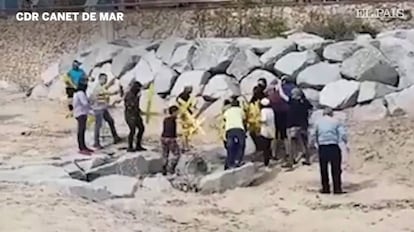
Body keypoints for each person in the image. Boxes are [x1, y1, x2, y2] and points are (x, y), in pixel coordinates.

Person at [311, 107, 347, 194]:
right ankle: (337, 188)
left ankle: (325, 188)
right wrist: (344, 142)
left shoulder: (318, 122)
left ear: (323, 114)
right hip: (333, 146)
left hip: (323, 147)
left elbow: (313, 134)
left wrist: (316, 144)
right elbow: (343, 134)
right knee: (336, 169)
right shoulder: (336, 121)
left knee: (323, 169)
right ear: (331, 114)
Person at [279, 83, 313, 169]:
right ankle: (307, 159)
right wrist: (306, 117)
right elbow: (311, 109)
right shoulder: (305, 101)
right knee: (305, 143)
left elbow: (282, 95)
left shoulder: (292, 101)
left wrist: (279, 85)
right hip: (303, 125)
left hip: (292, 125)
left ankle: (291, 161)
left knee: (291, 144)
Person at [89, 73, 122, 149]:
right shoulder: (98, 88)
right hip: (98, 109)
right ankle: (96, 142)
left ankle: (115, 137)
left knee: (110, 121)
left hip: (102, 108)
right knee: (98, 126)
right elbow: (107, 92)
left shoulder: (100, 86)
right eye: (104, 79)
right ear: (100, 79)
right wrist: (117, 92)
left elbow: (106, 89)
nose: (106, 81)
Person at [267, 80, 289, 160]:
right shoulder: (281, 96)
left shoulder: (271, 98)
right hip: (284, 117)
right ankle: (287, 153)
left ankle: (273, 154)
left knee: (274, 137)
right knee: (285, 136)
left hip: (274, 119)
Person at [223, 98, 246, 169]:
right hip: (239, 128)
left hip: (229, 129)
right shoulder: (240, 110)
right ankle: (238, 160)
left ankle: (229, 162)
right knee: (241, 145)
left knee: (230, 146)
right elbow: (244, 118)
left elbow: (224, 118)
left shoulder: (227, 111)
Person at [124, 81, 146, 152]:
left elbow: (136, 105)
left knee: (141, 128)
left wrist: (139, 111)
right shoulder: (129, 95)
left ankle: (138, 145)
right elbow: (130, 106)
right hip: (130, 115)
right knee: (132, 130)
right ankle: (130, 146)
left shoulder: (135, 95)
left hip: (136, 114)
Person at [72, 81, 93, 155]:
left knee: (82, 130)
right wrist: (90, 103)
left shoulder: (76, 93)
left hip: (79, 113)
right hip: (81, 113)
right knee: (81, 131)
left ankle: (83, 146)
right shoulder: (80, 93)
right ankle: (81, 148)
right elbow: (85, 103)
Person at [161, 105, 181, 175]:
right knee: (177, 154)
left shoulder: (165, 119)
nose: (178, 113)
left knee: (165, 154)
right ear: (174, 112)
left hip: (163, 138)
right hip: (170, 139)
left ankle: (164, 168)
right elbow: (172, 131)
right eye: (177, 112)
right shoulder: (173, 120)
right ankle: (171, 168)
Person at [258, 98, 275, 167]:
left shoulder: (263, 111)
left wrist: (258, 121)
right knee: (269, 146)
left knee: (265, 147)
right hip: (271, 129)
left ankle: (266, 162)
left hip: (265, 130)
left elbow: (264, 120)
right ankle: (269, 159)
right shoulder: (271, 110)